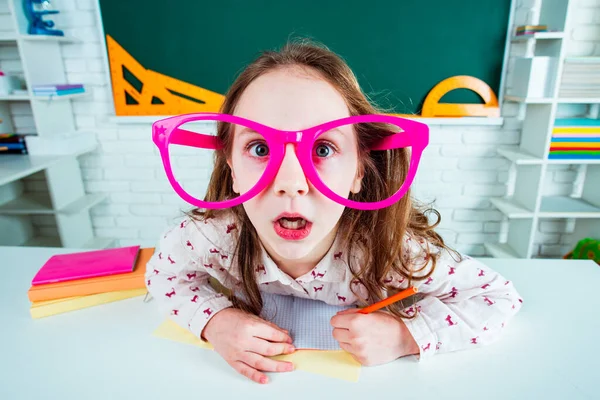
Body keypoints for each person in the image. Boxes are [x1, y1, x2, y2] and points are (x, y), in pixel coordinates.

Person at [145, 39, 523, 384]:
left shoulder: (389, 247)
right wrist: (216, 322)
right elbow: (164, 275)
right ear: (231, 167)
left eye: (322, 149)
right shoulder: (213, 237)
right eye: (259, 149)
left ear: (359, 169)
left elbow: (498, 297)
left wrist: (405, 336)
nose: (290, 182)